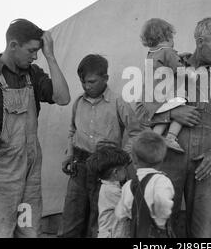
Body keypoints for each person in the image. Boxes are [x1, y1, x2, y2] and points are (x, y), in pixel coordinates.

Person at [135, 17, 211, 238]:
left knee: (201, 233)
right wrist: (171, 113)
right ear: (200, 42)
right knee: (158, 229)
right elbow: (140, 110)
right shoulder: (167, 67)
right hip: (167, 161)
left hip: (205, 167)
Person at [0, 19, 70, 238]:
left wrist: (51, 56)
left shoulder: (34, 73)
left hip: (30, 168)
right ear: (12, 46)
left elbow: (63, 97)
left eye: (38, 51)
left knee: (28, 230)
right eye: (31, 50)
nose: (35, 56)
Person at [60, 54, 141, 238]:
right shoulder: (79, 102)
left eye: (92, 82)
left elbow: (136, 132)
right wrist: (69, 153)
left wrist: (119, 155)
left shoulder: (118, 102)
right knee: (72, 218)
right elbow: (72, 131)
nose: (87, 87)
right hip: (79, 166)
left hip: (105, 171)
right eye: (83, 83)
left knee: (99, 220)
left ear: (105, 78)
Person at [140, 18, 193, 153]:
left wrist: (179, 56)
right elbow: (178, 68)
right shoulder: (168, 51)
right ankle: (171, 136)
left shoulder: (151, 54)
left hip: (153, 97)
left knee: (161, 119)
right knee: (182, 105)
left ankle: (155, 139)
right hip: (167, 93)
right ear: (167, 36)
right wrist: (191, 73)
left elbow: (164, 63)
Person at [115, 131, 175, 238]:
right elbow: (163, 204)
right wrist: (160, 222)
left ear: (134, 161)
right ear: (161, 161)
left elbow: (120, 214)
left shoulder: (128, 186)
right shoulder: (161, 181)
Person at [84, 143, 131, 238]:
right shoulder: (111, 191)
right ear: (116, 172)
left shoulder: (108, 187)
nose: (126, 171)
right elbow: (131, 208)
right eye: (124, 168)